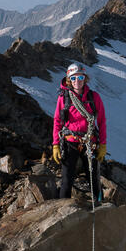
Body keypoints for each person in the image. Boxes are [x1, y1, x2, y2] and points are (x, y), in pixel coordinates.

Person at [52, 63, 107, 200]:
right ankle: (63, 209)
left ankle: (100, 206)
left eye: (80, 77)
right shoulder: (63, 98)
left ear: (85, 78)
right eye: (74, 78)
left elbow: (101, 121)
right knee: (67, 179)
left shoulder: (94, 98)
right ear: (69, 80)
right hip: (70, 142)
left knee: (94, 178)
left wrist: (103, 145)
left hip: (90, 142)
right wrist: (55, 145)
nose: (77, 81)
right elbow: (57, 121)